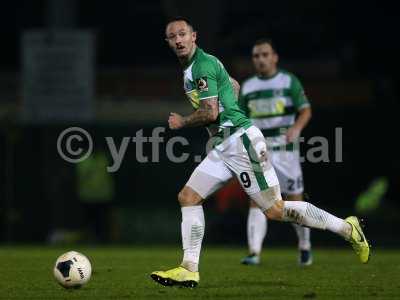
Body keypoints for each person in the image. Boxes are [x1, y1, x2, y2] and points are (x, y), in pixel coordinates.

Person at [150, 17, 370, 288]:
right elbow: (234, 86)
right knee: (188, 196)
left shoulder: (202, 65)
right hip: (223, 146)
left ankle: (347, 228)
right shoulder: (199, 65)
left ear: (194, 36)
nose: (178, 40)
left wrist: (182, 121)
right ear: (168, 42)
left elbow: (210, 112)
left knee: (275, 210)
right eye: (173, 37)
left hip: (240, 143)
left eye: (183, 34)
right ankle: (189, 268)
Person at [239, 38, 313, 266]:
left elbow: (305, 110)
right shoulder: (248, 87)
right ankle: (254, 252)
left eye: (264, 54)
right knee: (256, 200)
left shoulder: (287, 80)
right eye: (256, 56)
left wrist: (297, 127)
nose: (260, 59)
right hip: (260, 153)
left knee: (295, 202)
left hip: (286, 153)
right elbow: (240, 119)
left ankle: (304, 246)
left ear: (274, 57)